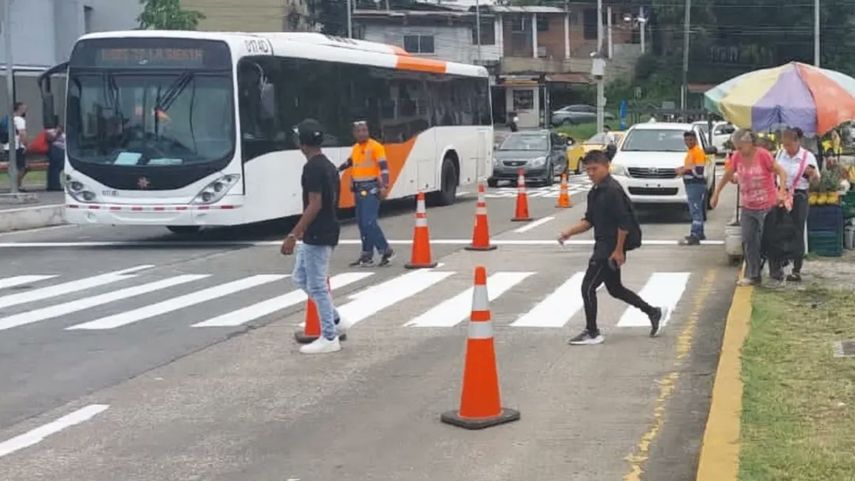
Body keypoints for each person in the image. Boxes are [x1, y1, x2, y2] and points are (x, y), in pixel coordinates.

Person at [558, 150, 664, 346]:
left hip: (609, 246)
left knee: (587, 287)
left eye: (594, 169)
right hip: (603, 243)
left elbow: (624, 222)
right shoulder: (595, 191)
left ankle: (592, 331)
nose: (590, 173)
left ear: (606, 167)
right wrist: (569, 232)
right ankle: (652, 311)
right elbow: (589, 220)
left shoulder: (612, 190)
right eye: (587, 170)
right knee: (615, 289)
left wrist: (618, 250)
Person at [281, 119, 344, 355]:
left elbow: (315, 204)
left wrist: (293, 234)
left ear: (303, 144)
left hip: (319, 231)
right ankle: (335, 320)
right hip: (322, 230)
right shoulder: (327, 165)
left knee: (317, 285)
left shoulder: (313, 168)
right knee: (300, 278)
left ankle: (329, 336)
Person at [711, 129, 789, 287]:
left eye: (740, 147)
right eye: (736, 147)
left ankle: (776, 273)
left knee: (770, 241)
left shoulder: (763, 155)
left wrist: (781, 193)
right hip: (748, 205)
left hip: (767, 205)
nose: (738, 151)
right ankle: (754, 275)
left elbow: (781, 172)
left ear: (749, 143)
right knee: (749, 240)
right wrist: (716, 192)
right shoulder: (737, 157)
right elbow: (728, 174)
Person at [338, 120, 395, 267]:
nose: (362, 133)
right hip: (359, 188)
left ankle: (386, 250)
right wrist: (340, 171)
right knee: (362, 223)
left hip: (372, 187)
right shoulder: (356, 148)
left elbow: (384, 168)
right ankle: (367, 255)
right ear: (354, 133)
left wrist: (385, 186)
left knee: (369, 222)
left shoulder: (376, 147)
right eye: (359, 131)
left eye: (364, 130)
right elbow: (352, 163)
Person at [772, 128, 819, 282]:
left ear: (797, 141)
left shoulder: (807, 157)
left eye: (789, 144)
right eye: (784, 144)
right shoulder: (780, 154)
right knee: (778, 229)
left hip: (799, 197)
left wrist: (812, 175)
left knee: (797, 231)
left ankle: (796, 269)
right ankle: (778, 265)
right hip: (782, 195)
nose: (786, 148)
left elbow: (816, 181)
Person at [676, 131, 707, 245]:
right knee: (696, 208)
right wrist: (683, 168)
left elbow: (699, 171)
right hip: (691, 184)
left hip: (695, 184)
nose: (688, 142)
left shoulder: (697, 152)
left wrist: (684, 170)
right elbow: (692, 167)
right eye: (686, 140)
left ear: (695, 140)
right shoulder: (691, 152)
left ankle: (695, 235)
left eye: (691, 140)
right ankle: (700, 233)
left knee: (695, 210)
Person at [3, 102, 29, 191]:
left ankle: (17, 185)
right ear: (19, 109)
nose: (25, 110)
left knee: (13, 166)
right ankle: (16, 185)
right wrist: (26, 144)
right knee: (23, 167)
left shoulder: (9, 118)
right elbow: (22, 133)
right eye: (24, 109)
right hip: (17, 147)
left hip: (7, 146)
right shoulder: (19, 119)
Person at [46, 125, 66, 191]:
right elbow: (51, 139)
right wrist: (57, 133)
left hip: (59, 150)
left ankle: (52, 185)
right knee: (55, 168)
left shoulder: (63, 134)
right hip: (57, 150)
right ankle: (55, 185)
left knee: (54, 168)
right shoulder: (50, 131)